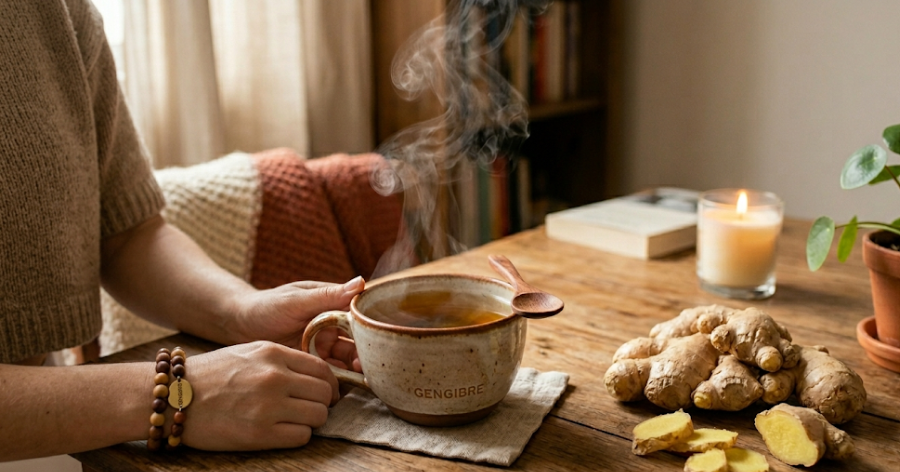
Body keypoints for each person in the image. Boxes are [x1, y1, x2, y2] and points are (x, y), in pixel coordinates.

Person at [0, 0, 363, 461]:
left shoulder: (57, 12)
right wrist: (178, 391)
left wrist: (238, 310)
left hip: (55, 433)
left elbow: (128, 233)